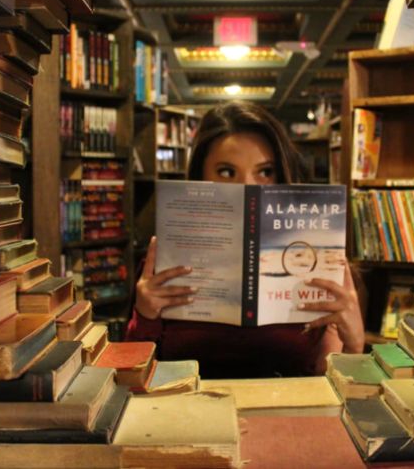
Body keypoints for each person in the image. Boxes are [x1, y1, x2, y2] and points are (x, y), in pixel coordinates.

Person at [126, 101, 365, 378]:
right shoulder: (162, 265)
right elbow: (132, 373)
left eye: (265, 172)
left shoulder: (319, 260)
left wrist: (354, 343)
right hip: (186, 403)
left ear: (282, 175)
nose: (247, 187)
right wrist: (144, 315)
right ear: (200, 178)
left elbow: (331, 380)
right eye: (226, 172)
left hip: (286, 405)